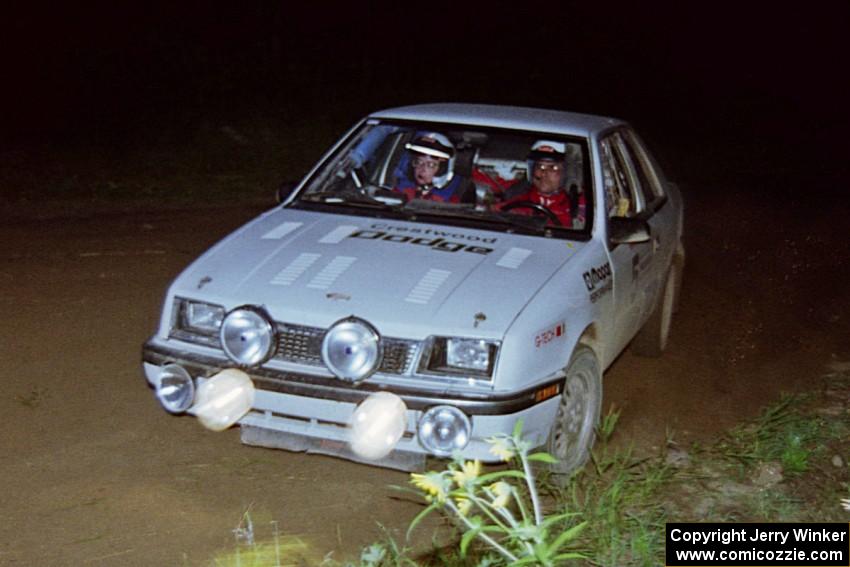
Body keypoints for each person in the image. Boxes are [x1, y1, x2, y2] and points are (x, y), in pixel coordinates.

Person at [497, 140, 586, 227]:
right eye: (540, 166)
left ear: (566, 173)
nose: (544, 173)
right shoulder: (517, 195)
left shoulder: (578, 206)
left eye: (553, 168)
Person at [393, 132, 463, 202]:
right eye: (418, 162)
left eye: (431, 165)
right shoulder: (400, 191)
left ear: (442, 170)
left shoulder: (451, 200)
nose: (422, 169)